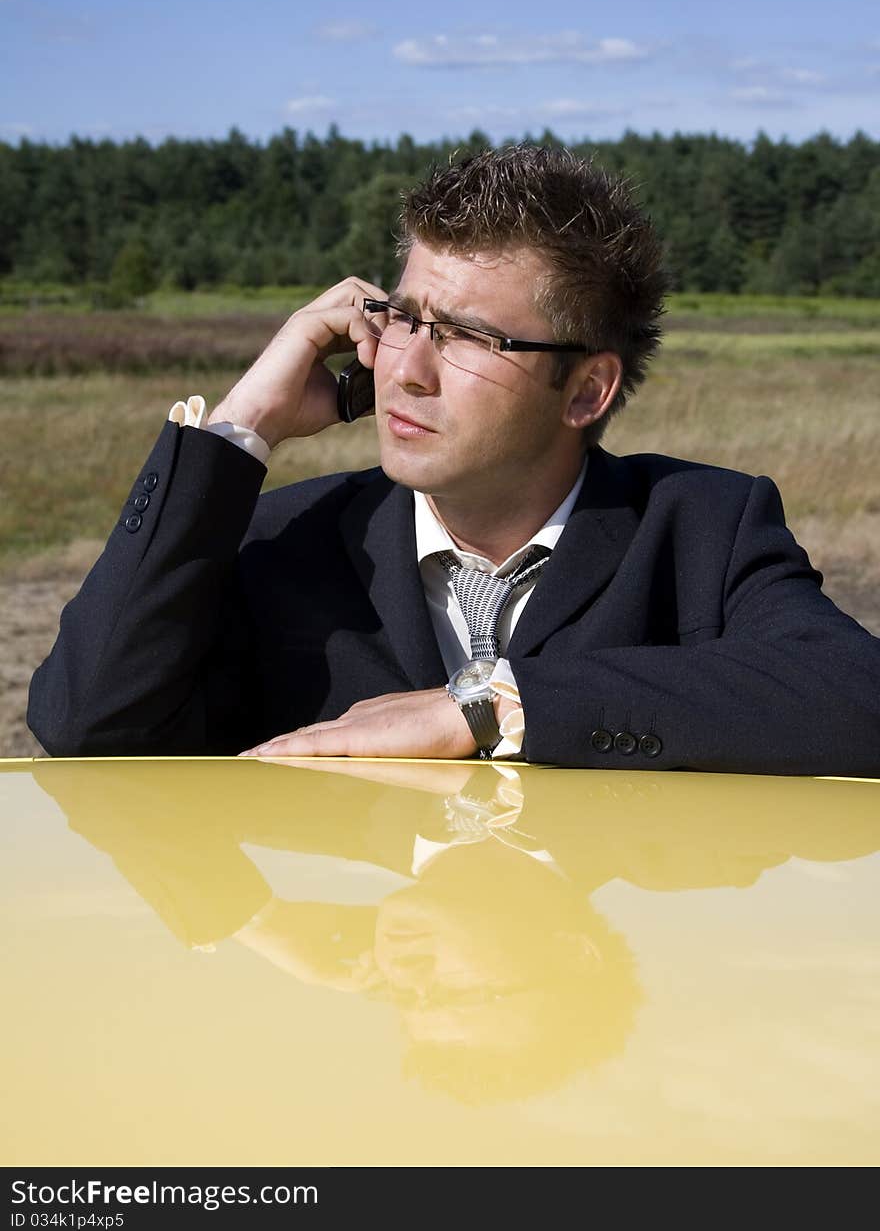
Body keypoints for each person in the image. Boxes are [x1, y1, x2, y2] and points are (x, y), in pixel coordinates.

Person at [27, 145, 880, 774]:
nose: (406, 367)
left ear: (585, 390)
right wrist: (242, 427)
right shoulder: (286, 537)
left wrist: (491, 706)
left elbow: (855, 698)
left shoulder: (703, 527)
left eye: (467, 336)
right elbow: (84, 720)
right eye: (400, 318)